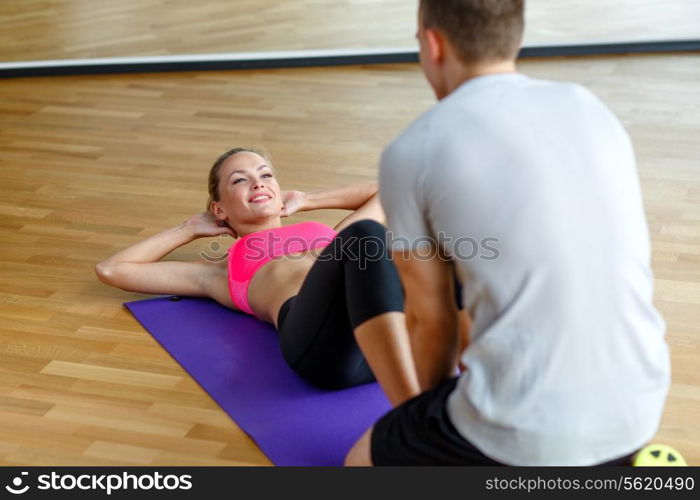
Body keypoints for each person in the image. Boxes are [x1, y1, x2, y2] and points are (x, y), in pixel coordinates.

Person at [345, 0, 670, 466]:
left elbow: (431, 321)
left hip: (531, 436)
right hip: (641, 405)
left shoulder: (414, 148)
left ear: (434, 45)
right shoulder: (589, 106)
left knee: (358, 461)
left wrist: (423, 418)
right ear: (513, 36)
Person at [95, 147, 421, 407]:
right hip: (328, 351)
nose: (258, 183)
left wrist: (308, 199)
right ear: (218, 209)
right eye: (240, 180)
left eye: (266, 175)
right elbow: (113, 270)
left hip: (385, 337)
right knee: (368, 234)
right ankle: (416, 402)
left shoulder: (331, 237)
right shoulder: (219, 271)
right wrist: (188, 229)